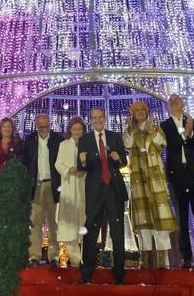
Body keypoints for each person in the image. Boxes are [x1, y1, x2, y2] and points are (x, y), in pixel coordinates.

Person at [77, 106, 128, 285]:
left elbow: (123, 162)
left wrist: (117, 158)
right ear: (90, 120)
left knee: (117, 233)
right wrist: (83, 161)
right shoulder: (85, 139)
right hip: (95, 192)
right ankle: (87, 274)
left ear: (105, 118)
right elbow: (82, 166)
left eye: (100, 117)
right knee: (91, 232)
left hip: (114, 190)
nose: (98, 120)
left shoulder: (115, 137)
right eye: (94, 117)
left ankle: (119, 275)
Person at [124, 100, 177, 269]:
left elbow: (162, 143)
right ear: (133, 114)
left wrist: (152, 131)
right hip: (139, 178)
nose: (140, 112)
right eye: (136, 110)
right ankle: (145, 256)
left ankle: (162, 258)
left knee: (160, 214)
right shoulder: (130, 131)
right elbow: (127, 144)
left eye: (142, 110)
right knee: (143, 216)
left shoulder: (155, 127)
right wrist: (130, 129)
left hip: (155, 177)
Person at [161, 94, 194, 268]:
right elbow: (170, 145)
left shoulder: (192, 122)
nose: (173, 104)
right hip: (177, 176)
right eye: (171, 102)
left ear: (182, 104)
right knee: (182, 217)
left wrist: (191, 133)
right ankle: (186, 256)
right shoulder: (165, 125)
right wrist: (186, 135)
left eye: (176, 101)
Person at [23, 113, 63, 265]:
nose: (44, 129)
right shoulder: (30, 140)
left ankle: (54, 256)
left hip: (53, 184)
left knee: (54, 222)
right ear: (36, 125)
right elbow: (25, 162)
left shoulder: (58, 139)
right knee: (35, 221)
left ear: (50, 124)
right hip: (36, 184)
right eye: (41, 126)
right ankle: (34, 255)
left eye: (46, 126)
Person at [54, 116, 88, 268]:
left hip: (84, 185)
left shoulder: (88, 143)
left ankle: (87, 259)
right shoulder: (64, 144)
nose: (77, 132)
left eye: (79, 129)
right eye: (74, 129)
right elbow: (58, 163)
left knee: (84, 221)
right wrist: (69, 170)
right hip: (69, 186)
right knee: (70, 225)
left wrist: (84, 168)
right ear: (70, 130)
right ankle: (75, 260)